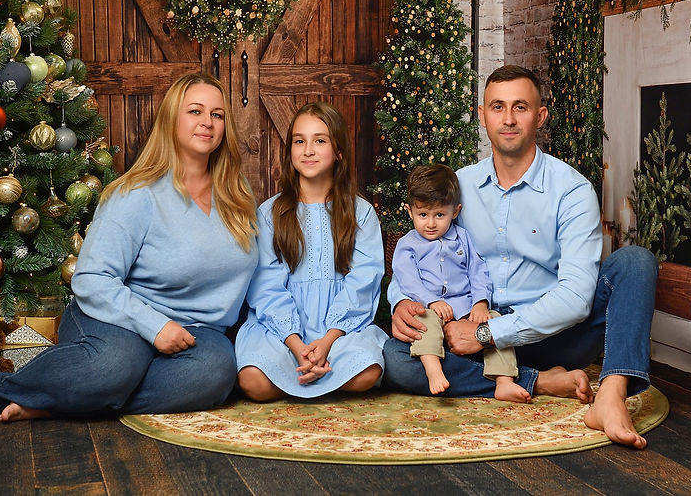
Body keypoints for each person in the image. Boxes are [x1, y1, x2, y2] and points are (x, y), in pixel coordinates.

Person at [0, 73, 259, 420]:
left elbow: (257, 279)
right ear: (172, 119)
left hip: (198, 334)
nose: (207, 122)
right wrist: (155, 327)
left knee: (216, 372)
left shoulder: (238, 195)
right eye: (195, 111)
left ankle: (61, 401)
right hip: (118, 320)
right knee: (113, 366)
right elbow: (92, 279)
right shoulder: (136, 194)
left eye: (217, 115)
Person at [383, 65, 658, 448]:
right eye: (497, 107)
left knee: (635, 262)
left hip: (555, 335)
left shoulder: (572, 190)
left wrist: (487, 334)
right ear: (482, 115)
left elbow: (578, 298)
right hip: (470, 329)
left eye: (520, 107)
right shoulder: (455, 187)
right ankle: (539, 381)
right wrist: (401, 304)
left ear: (540, 116)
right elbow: (416, 257)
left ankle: (611, 393)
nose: (508, 119)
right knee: (394, 357)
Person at [236, 102, 387, 400]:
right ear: (290, 150)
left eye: (320, 140)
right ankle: (306, 371)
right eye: (299, 141)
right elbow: (266, 286)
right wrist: (296, 345)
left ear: (339, 151)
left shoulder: (361, 213)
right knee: (253, 382)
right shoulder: (270, 213)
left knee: (367, 371)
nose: (308, 150)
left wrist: (328, 340)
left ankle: (311, 373)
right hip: (282, 331)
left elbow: (363, 282)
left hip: (340, 330)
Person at [392, 164, 529, 401]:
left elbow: (477, 271)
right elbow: (407, 280)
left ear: (455, 212)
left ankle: (504, 380)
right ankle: (433, 370)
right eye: (423, 215)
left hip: (465, 308)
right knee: (422, 323)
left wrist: (480, 304)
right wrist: (431, 301)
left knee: (497, 323)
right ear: (409, 211)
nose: (431, 224)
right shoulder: (407, 245)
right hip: (430, 309)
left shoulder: (462, 238)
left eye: (440, 215)